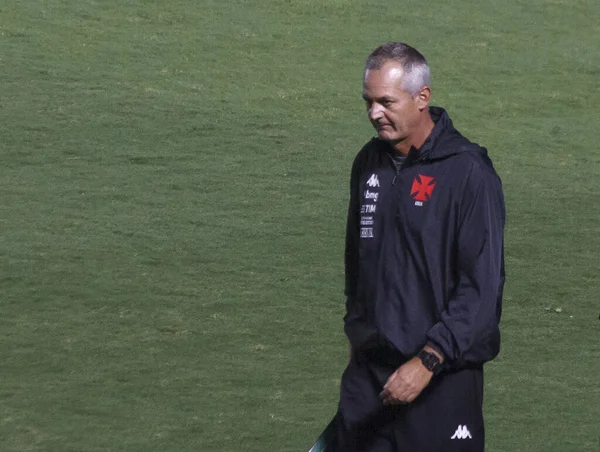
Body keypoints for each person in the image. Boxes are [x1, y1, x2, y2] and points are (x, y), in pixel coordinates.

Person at [337, 42, 505, 451]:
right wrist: (358, 336)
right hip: (371, 379)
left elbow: (480, 289)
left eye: (386, 101)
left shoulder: (468, 173)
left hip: (439, 382)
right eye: (368, 102)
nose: (374, 113)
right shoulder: (368, 164)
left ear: (422, 98)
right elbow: (357, 264)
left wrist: (428, 360)